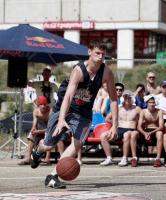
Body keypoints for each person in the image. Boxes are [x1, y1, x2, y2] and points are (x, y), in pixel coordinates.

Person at [30, 41, 118, 189]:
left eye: (103, 54)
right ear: (89, 52)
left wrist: (115, 125)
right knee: (48, 144)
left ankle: (53, 175)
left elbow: (114, 99)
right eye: (97, 53)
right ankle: (38, 150)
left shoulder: (106, 73)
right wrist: (61, 119)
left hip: (83, 113)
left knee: (77, 144)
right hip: (65, 108)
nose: (100, 56)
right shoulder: (78, 70)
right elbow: (68, 96)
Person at [100, 90, 141, 167]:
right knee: (103, 136)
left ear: (132, 99)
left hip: (131, 129)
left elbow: (143, 119)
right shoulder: (119, 108)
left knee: (126, 135)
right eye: (126, 98)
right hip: (119, 128)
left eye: (129, 98)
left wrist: (138, 125)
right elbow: (107, 118)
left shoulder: (137, 108)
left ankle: (124, 158)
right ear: (123, 99)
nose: (127, 99)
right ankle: (109, 158)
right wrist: (115, 124)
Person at [18, 96, 52, 165]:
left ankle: (47, 159)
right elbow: (34, 124)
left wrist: (39, 131)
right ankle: (28, 158)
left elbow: (50, 128)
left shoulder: (50, 112)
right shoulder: (36, 111)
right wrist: (33, 129)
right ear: (38, 105)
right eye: (41, 104)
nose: (43, 106)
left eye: (45, 104)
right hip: (39, 131)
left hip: (49, 131)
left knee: (48, 134)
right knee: (31, 134)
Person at [137, 95, 164, 167]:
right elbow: (139, 126)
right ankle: (134, 157)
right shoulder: (143, 111)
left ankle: (158, 158)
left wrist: (151, 132)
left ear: (155, 103)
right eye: (150, 102)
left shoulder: (159, 111)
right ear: (147, 103)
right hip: (145, 130)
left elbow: (161, 126)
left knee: (160, 134)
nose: (152, 104)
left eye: (153, 102)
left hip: (155, 130)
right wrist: (145, 133)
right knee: (135, 133)